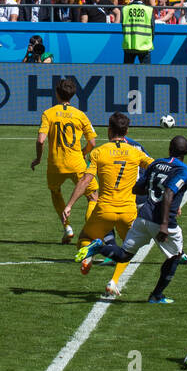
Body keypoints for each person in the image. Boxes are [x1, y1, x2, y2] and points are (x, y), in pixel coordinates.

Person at [75, 135, 187, 304]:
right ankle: (156, 295)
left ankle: (100, 246)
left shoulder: (157, 163)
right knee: (175, 256)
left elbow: (138, 188)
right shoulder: (184, 171)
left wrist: (152, 190)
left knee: (124, 255)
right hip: (162, 221)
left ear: (169, 149)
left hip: (143, 218)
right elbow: (168, 193)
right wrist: (165, 225)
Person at [64, 113, 154, 300]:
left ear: (109, 130)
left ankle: (91, 252)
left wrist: (70, 204)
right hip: (128, 211)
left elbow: (86, 180)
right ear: (127, 131)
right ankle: (113, 282)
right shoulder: (135, 152)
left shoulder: (98, 152)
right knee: (129, 249)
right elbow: (155, 168)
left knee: (84, 238)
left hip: (104, 209)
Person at [31, 77, 97, 243]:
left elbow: (40, 140)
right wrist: (82, 152)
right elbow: (92, 143)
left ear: (57, 93)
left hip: (55, 165)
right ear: (73, 95)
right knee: (93, 197)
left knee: (55, 191)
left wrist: (38, 159)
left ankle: (67, 226)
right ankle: (90, 234)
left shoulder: (49, 113)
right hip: (76, 163)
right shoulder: (80, 115)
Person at [120, 0, 153, 64]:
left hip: (129, 45)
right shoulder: (149, 10)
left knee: (127, 73)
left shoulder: (125, 9)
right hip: (144, 46)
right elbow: (153, 28)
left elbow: (122, 25)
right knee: (146, 73)